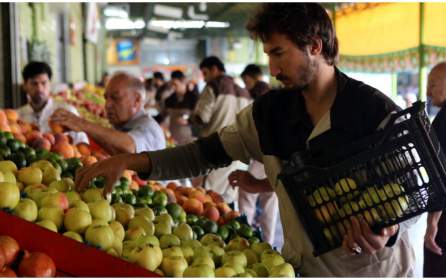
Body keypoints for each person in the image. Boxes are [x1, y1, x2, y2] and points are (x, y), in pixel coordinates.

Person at [74, 3, 416, 276]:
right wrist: (131, 161)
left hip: (373, 270)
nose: (272, 69)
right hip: (303, 269)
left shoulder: (373, 112)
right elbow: (202, 155)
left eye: (279, 53)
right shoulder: (269, 114)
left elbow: (412, 190)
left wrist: (390, 230)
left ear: (315, 46)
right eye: (268, 54)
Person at [50, 72, 166, 156]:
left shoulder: (149, 128)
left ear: (137, 100)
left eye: (116, 98)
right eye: (106, 98)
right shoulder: (124, 125)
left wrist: (82, 124)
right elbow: (118, 151)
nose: (107, 105)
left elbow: (130, 146)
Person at [229, 64, 279, 245]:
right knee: (269, 206)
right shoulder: (275, 98)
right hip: (275, 162)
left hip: (261, 160)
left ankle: (245, 238)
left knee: (247, 198)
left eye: (246, 81)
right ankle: (268, 243)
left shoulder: (258, 103)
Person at [190, 56, 251, 202]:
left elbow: (201, 117)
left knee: (209, 200)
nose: (204, 79)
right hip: (241, 154)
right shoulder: (243, 91)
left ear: (214, 69)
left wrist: (191, 118)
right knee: (228, 201)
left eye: (205, 73)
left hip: (217, 150)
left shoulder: (214, 86)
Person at [17, 61, 89, 145]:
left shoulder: (67, 111)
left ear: (50, 84)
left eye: (44, 83)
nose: (39, 89)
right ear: (25, 86)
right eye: (34, 83)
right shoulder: (18, 116)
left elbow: (82, 144)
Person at [423, 61, 446, 277]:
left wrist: (432, 224)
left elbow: (441, 175)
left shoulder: (444, 120)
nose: (427, 91)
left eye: (433, 84)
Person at [164, 70, 199, 145]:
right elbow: (164, 116)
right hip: (172, 139)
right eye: (171, 84)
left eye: (175, 84)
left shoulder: (193, 98)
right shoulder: (169, 100)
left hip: (190, 139)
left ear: (183, 82)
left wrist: (189, 121)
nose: (173, 87)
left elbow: (200, 119)